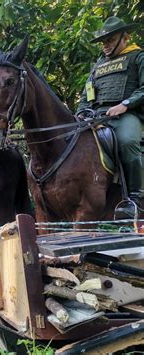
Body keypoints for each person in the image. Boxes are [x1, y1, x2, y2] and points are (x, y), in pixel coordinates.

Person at [77, 16, 143, 216]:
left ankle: (134, 198)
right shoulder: (98, 65)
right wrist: (81, 112)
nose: (106, 45)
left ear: (126, 37)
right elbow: (87, 92)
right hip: (96, 115)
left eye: (111, 40)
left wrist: (125, 105)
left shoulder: (137, 56)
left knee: (127, 141)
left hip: (126, 114)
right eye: (103, 42)